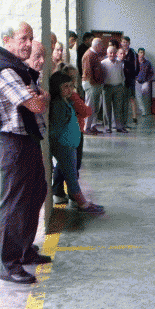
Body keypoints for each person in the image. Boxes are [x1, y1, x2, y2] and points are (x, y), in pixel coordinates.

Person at [0, 21, 51, 284]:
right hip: (13, 144)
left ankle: (24, 251)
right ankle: (9, 265)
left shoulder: (17, 67)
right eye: (23, 38)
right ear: (7, 40)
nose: (28, 44)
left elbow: (39, 98)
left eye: (31, 38)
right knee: (13, 204)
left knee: (36, 193)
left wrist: (40, 96)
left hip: (27, 140)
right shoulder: (4, 70)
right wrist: (41, 97)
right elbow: (36, 104)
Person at [49, 71, 104, 213]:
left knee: (72, 174)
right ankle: (82, 204)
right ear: (57, 87)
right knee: (72, 177)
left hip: (70, 145)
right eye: (65, 86)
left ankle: (80, 201)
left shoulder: (66, 101)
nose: (69, 90)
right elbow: (55, 130)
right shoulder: (58, 105)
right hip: (64, 145)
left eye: (70, 86)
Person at [53, 64, 92, 204]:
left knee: (67, 166)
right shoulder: (71, 97)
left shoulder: (65, 97)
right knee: (72, 167)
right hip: (71, 138)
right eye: (71, 78)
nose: (73, 82)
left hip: (71, 136)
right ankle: (72, 195)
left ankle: (66, 193)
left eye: (75, 78)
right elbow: (86, 111)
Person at [101, 45, 127, 133]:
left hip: (118, 87)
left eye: (114, 53)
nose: (112, 54)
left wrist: (122, 84)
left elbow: (122, 75)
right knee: (106, 109)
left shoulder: (120, 63)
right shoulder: (103, 63)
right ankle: (107, 127)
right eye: (110, 53)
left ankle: (119, 126)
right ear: (107, 53)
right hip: (107, 88)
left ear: (116, 54)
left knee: (118, 108)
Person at [81, 37, 105, 135]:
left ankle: (92, 126)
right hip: (91, 84)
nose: (102, 47)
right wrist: (94, 83)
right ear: (97, 45)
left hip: (95, 84)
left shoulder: (94, 54)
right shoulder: (89, 55)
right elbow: (88, 72)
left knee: (95, 107)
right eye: (101, 45)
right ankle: (86, 128)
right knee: (90, 106)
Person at [119, 38, 137, 128]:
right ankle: (120, 120)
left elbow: (136, 66)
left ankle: (134, 117)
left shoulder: (132, 52)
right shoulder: (119, 51)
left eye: (126, 42)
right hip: (120, 80)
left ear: (129, 43)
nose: (125, 44)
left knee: (131, 98)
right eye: (123, 42)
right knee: (121, 99)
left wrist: (134, 76)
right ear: (121, 43)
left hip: (130, 79)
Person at [135, 47, 154, 117]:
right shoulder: (135, 62)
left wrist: (148, 80)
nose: (142, 54)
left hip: (145, 81)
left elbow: (151, 73)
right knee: (138, 96)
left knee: (145, 93)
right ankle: (143, 111)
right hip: (137, 81)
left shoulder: (147, 63)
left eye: (143, 53)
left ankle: (147, 109)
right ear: (138, 53)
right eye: (140, 52)